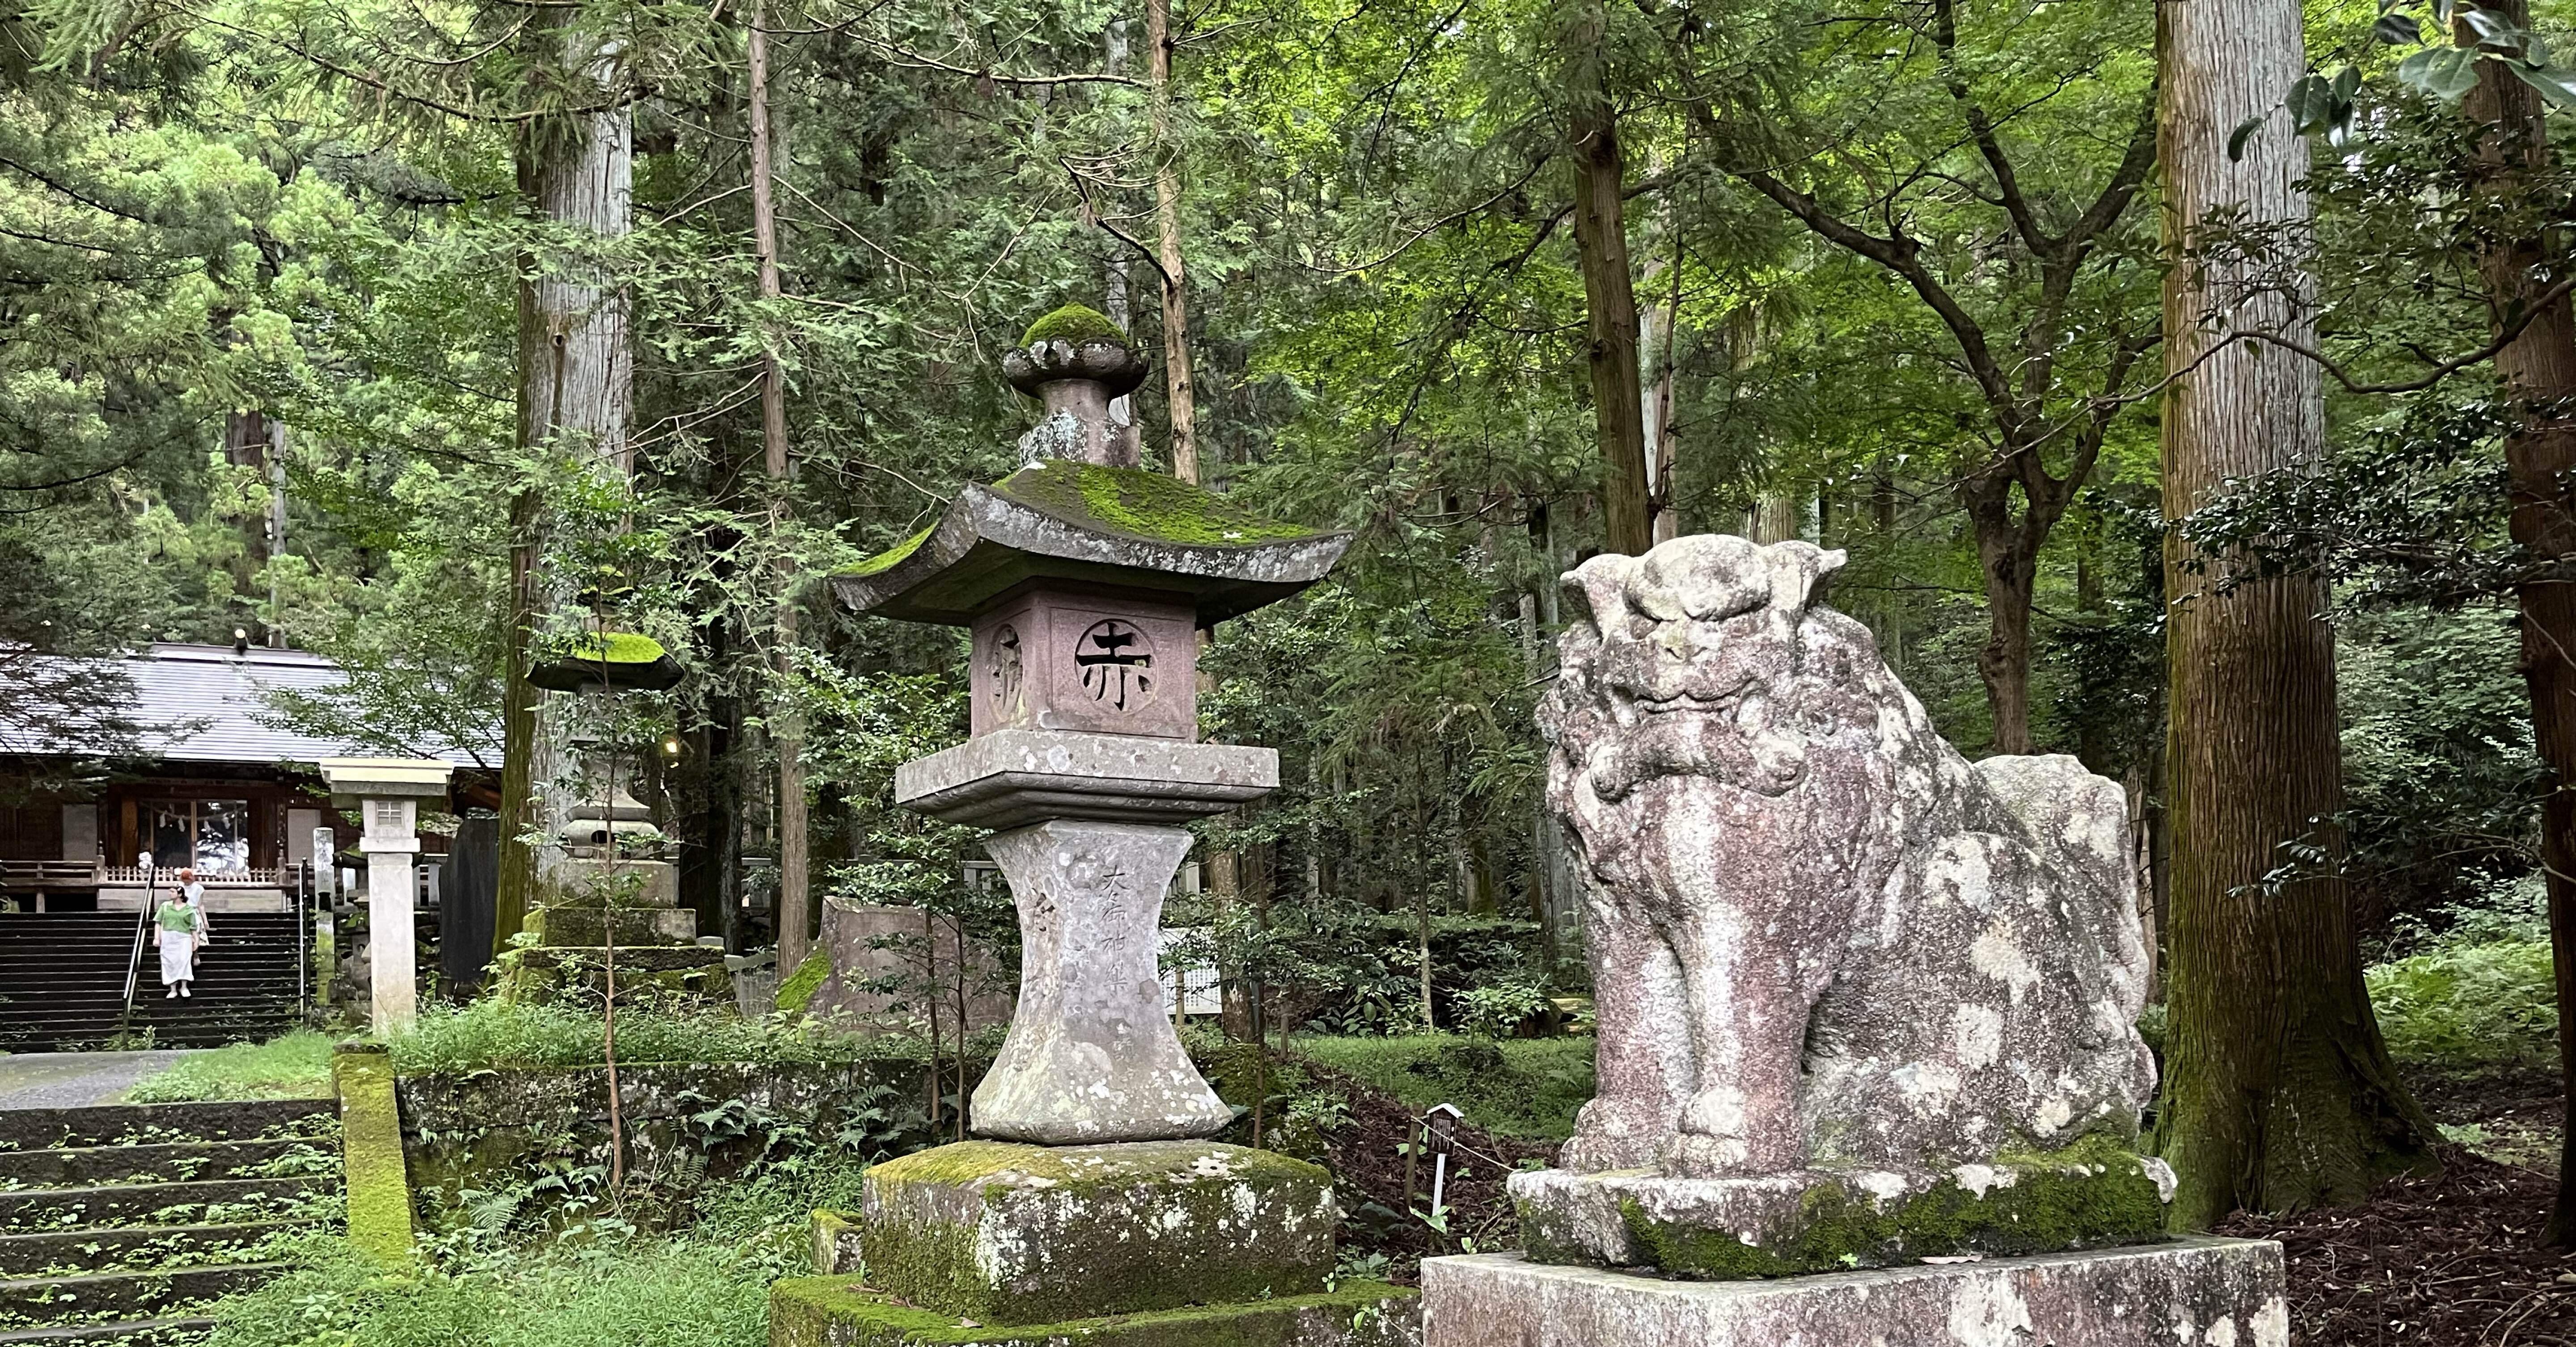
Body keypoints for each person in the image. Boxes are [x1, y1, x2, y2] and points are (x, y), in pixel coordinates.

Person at [157, 874, 207, 999]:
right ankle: (173, 988)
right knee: (169, 961)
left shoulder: (189, 909)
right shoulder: (165, 907)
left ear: (179, 894)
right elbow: (158, 922)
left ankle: (184, 986)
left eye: (172, 892)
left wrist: (195, 940)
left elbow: (193, 927)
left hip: (184, 937)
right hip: (168, 936)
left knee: (184, 960)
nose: (170, 894)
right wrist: (157, 937)